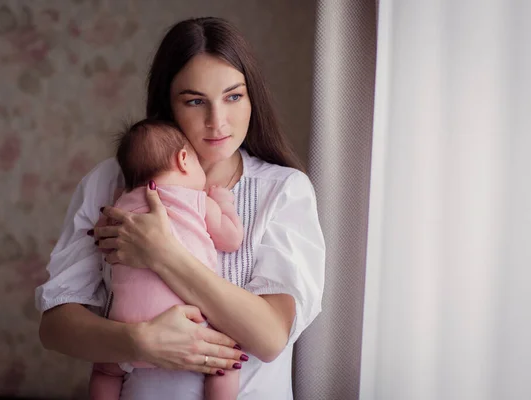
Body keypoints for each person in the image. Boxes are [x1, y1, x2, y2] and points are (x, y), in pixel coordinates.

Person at [36, 17, 325, 399]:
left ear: (252, 96)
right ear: (167, 104)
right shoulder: (110, 182)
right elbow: (55, 326)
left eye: (234, 96)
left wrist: (163, 253)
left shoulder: (283, 191)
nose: (218, 121)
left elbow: (270, 338)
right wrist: (140, 341)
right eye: (194, 101)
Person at [89, 119, 243, 400]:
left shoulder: (120, 207)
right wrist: (224, 203)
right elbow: (231, 239)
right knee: (227, 362)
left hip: (127, 327)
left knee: (105, 371)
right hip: (189, 325)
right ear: (184, 160)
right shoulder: (197, 201)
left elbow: (100, 237)